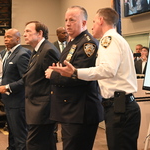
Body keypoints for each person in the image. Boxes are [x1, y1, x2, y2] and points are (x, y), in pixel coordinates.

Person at [50, 7, 141, 150]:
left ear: (100, 20)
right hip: (120, 105)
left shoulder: (108, 39)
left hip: (120, 107)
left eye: (93, 22)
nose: (91, 26)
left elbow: (107, 70)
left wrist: (75, 72)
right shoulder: (116, 39)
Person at [45, 6, 103, 150]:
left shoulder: (87, 44)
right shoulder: (73, 42)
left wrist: (53, 74)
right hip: (70, 110)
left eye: (72, 20)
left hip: (80, 111)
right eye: (66, 20)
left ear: (84, 23)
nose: (68, 23)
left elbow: (79, 76)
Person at [23, 21, 60, 150]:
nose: (24, 34)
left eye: (28, 31)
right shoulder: (38, 50)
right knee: (46, 143)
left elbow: (54, 80)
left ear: (40, 33)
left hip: (42, 108)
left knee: (34, 144)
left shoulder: (48, 51)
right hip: (36, 107)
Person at [0, 28, 31, 150]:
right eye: (5, 37)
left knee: (20, 135)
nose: (6, 39)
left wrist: (7, 87)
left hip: (18, 101)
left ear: (18, 38)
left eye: (10, 37)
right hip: (8, 101)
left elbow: (26, 79)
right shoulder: (4, 54)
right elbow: (5, 75)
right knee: (12, 133)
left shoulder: (23, 54)